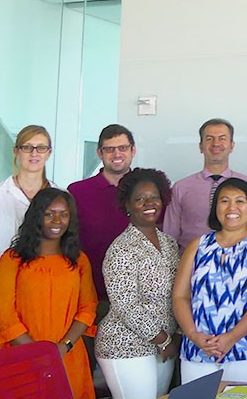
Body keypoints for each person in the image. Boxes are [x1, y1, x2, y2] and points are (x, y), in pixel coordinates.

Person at [0, 188, 98, 398]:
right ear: (36, 216)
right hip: (22, 356)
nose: (57, 220)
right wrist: (38, 354)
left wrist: (63, 347)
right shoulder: (13, 260)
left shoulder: (79, 260)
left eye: (64, 214)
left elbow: (88, 308)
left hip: (67, 355)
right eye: (49, 213)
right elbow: (4, 316)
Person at [172, 178, 247, 384]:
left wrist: (231, 337)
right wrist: (194, 335)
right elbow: (180, 296)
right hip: (198, 352)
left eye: (240, 201)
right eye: (224, 201)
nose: (232, 207)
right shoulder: (198, 245)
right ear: (215, 208)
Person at [0, 125, 54, 356]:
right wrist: (9, 303)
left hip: (45, 310)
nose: (34, 153)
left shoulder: (60, 198)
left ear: (49, 153)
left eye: (41, 147)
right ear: (16, 152)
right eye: (27, 147)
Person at [95, 168, 179, 398]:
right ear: (128, 206)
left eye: (154, 197)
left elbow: (178, 294)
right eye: (140, 199)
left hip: (162, 345)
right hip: (125, 346)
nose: (149, 203)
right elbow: (126, 305)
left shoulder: (169, 244)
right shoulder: (122, 248)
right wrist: (163, 340)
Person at [68, 124, 137, 369]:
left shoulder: (147, 190)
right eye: (109, 149)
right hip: (90, 298)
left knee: (130, 377)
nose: (116, 154)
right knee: (83, 372)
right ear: (99, 153)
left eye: (122, 148)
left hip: (137, 302)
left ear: (133, 150)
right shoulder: (78, 192)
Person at [165, 118, 247, 248]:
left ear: (232, 145)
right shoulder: (181, 188)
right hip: (192, 263)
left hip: (239, 262)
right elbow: (169, 236)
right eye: (209, 139)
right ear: (201, 146)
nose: (216, 144)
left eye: (222, 138)